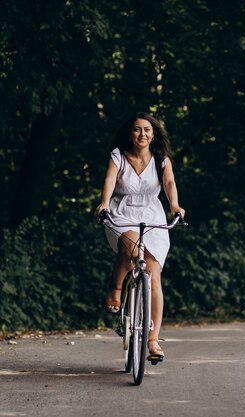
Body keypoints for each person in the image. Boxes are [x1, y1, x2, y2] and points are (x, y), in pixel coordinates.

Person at [94, 112, 185, 360]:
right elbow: (110, 178)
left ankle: (153, 341)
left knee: (153, 273)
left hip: (152, 215)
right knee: (131, 247)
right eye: (137, 129)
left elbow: (168, 184)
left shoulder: (161, 159)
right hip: (122, 213)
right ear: (130, 133)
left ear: (153, 134)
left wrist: (174, 206)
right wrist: (104, 203)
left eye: (146, 129)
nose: (142, 134)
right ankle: (116, 287)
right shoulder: (119, 156)